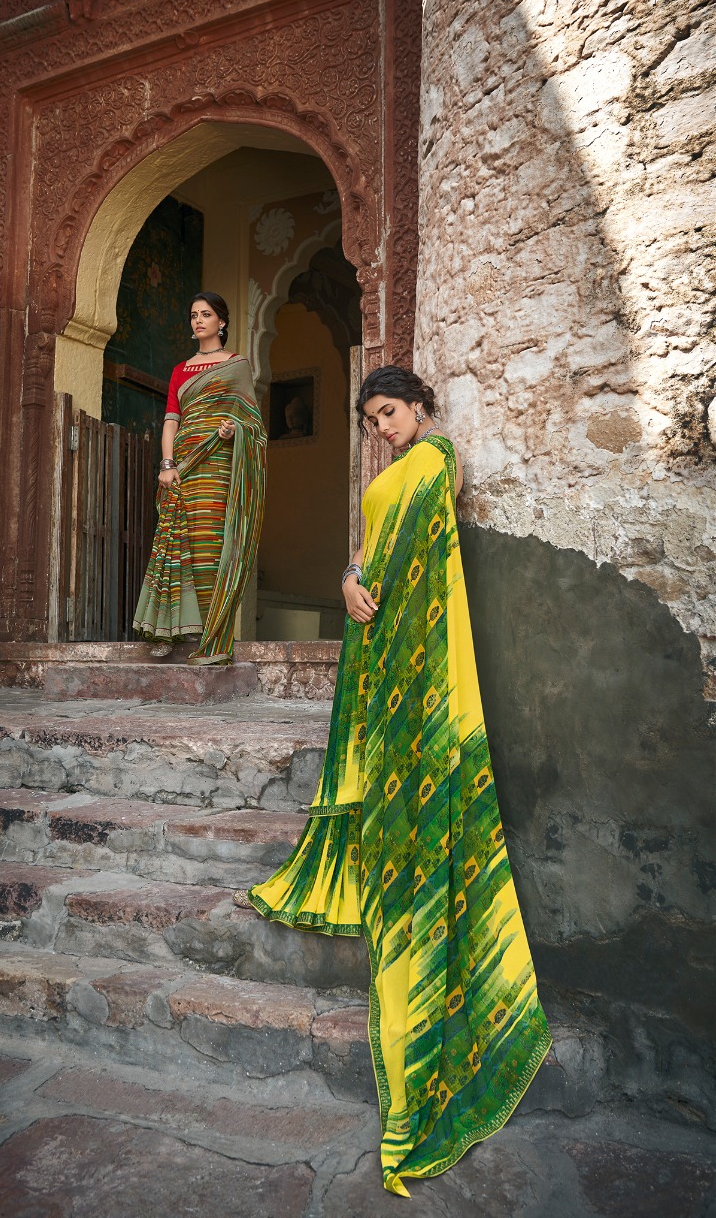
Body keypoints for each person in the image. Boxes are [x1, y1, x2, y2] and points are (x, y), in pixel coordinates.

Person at [235, 366, 551, 1194]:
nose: (382, 427)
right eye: (372, 419)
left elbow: (418, 560)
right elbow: (367, 555)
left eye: (389, 412)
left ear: (418, 406)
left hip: (408, 655)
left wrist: (377, 597)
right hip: (371, 638)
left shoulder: (435, 461)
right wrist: (346, 582)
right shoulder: (390, 474)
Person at [133, 292, 266, 665]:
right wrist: (167, 464)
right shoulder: (180, 370)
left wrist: (234, 429)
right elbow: (171, 421)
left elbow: (253, 423)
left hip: (218, 465)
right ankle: (168, 630)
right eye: (194, 315)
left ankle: (210, 630)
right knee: (178, 543)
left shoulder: (237, 366)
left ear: (221, 321)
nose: (198, 320)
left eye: (206, 314)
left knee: (211, 545)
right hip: (184, 467)